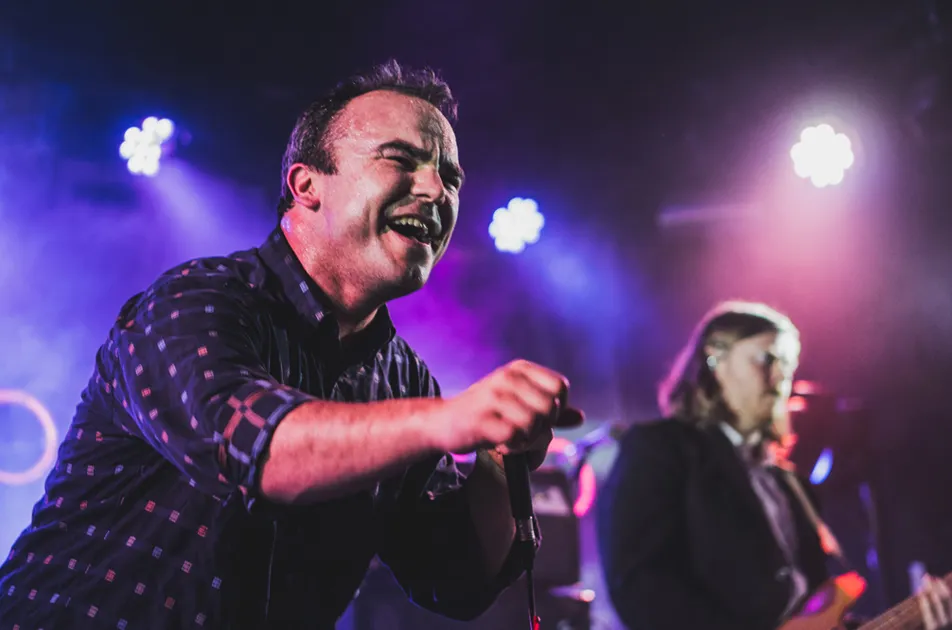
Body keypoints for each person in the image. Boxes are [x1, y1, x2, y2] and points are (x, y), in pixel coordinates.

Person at [0, 60, 583, 629]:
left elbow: (455, 579)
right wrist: (450, 420)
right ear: (306, 186)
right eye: (400, 159)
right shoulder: (197, 300)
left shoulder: (403, 381)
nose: (436, 189)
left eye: (450, 177)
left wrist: (496, 459)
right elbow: (255, 447)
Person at [597, 300, 951, 630]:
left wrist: (917, 619)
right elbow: (640, 587)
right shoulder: (661, 448)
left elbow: (812, 611)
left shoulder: (789, 482)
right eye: (766, 359)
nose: (781, 375)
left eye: (787, 364)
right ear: (715, 360)